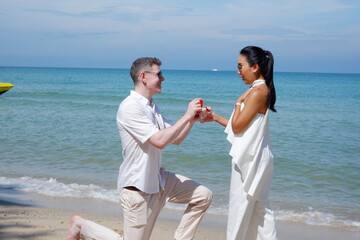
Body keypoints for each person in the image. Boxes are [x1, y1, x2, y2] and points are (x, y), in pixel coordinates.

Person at [67, 57, 212, 240]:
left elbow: (175, 139)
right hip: (137, 190)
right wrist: (186, 115)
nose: (163, 79)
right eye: (159, 75)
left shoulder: (152, 107)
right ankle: (82, 226)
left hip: (159, 182)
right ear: (144, 77)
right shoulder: (130, 107)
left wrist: (192, 119)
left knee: (203, 196)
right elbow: (159, 141)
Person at [202, 46, 278, 240]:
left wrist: (237, 102)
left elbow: (237, 128)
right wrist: (216, 117)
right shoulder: (257, 90)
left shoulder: (258, 92)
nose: (238, 72)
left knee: (242, 208)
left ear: (254, 67)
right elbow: (244, 128)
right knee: (260, 211)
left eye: (240, 67)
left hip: (251, 160)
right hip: (255, 157)